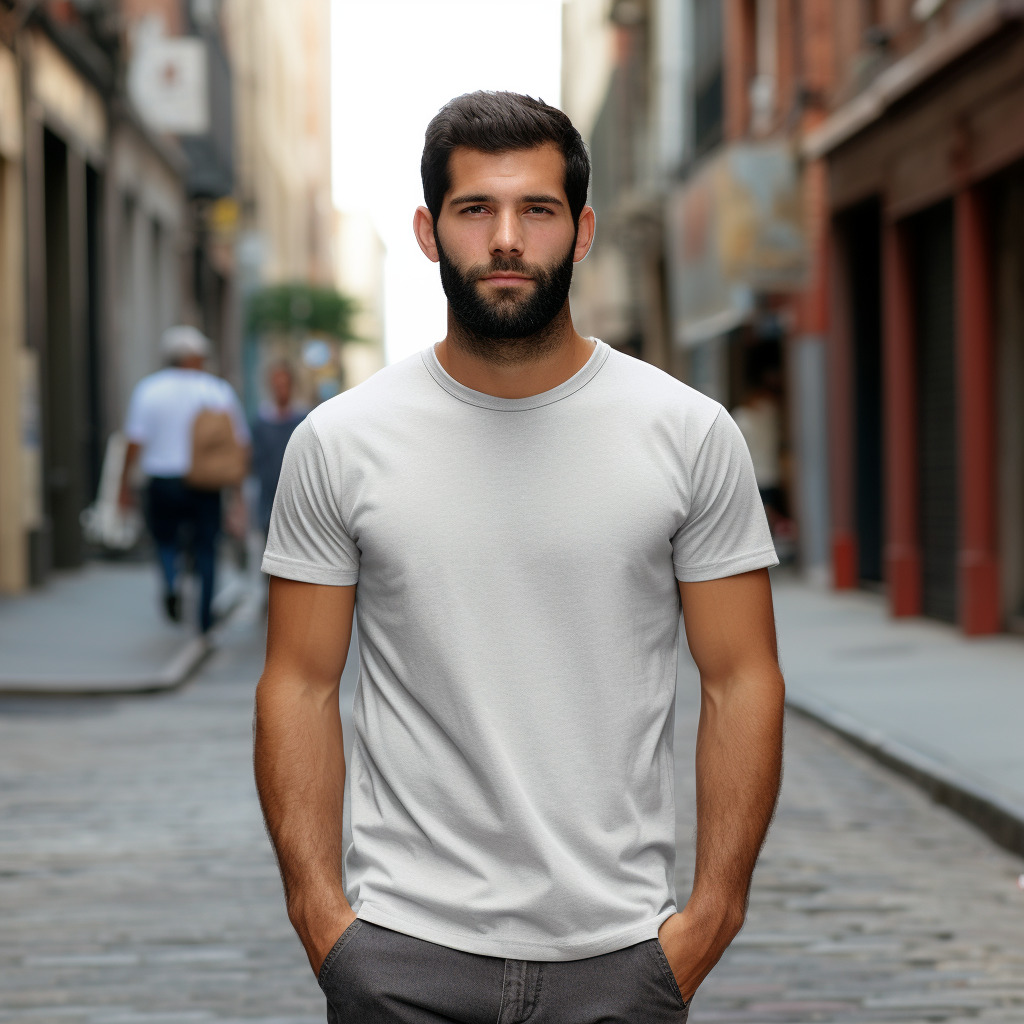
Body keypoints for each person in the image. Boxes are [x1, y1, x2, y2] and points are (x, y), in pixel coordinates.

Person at [255, 92, 784, 1024]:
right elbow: (298, 683)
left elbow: (742, 679)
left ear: (581, 233)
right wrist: (323, 920)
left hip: (621, 958)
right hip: (403, 959)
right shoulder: (340, 443)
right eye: (475, 210)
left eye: (536, 210)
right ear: (429, 231)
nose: (506, 239)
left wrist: (710, 919)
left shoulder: (689, 435)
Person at [119, 325, 250, 634]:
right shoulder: (216, 391)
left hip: (162, 480)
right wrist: (238, 490)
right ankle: (204, 619)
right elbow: (239, 445)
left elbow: (134, 443)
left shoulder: (148, 389)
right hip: (206, 483)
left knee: (165, 540)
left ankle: (170, 581)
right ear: (195, 357)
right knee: (206, 547)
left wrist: (123, 485)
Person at [251, 361, 306, 537]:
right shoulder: (261, 422)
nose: (281, 389)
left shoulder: (304, 420)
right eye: (277, 385)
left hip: (298, 500)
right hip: (268, 500)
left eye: (284, 384)